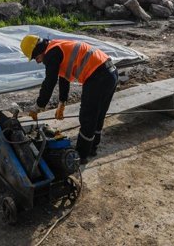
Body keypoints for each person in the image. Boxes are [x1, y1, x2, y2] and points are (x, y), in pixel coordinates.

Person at [20, 35, 118, 164]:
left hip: (98, 77)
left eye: (36, 57)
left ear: (39, 50)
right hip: (110, 72)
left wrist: (39, 105)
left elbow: (49, 82)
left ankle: (81, 155)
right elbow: (64, 77)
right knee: (97, 114)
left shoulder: (51, 54)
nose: (37, 61)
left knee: (87, 117)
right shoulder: (57, 46)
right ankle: (92, 148)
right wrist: (62, 102)